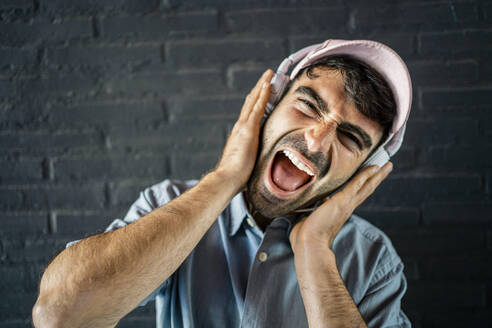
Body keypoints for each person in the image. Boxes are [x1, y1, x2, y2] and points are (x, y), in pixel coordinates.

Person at [32, 39, 412, 328]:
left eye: (349, 138)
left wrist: (313, 249)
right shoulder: (168, 203)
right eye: (308, 105)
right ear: (268, 107)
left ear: (365, 172)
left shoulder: (375, 260)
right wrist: (225, 178)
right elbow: (58, 315)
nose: (315, 140)